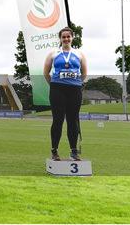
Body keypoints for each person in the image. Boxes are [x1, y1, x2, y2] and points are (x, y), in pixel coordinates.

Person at [43, 27, 87, 161]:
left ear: (72, 38)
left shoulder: (79, 54)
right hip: (57, 90)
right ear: (60, 39)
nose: (66, 39)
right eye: (63, 37)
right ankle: (54, 151)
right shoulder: (53, 53)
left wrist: (75, 83)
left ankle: (74, 151)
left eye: (68, 36)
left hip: (74, 90)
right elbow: (46, 72)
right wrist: (54, 84)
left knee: (73, 121)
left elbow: (84, 73)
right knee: (58, 120)